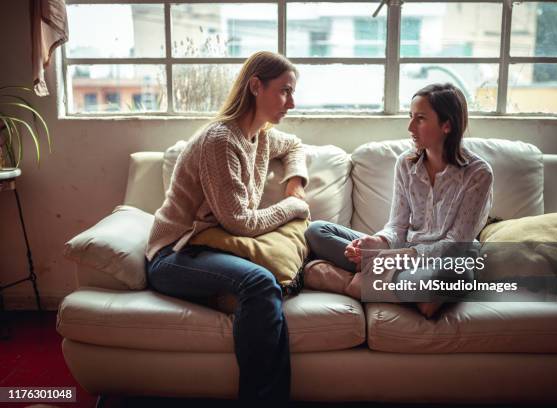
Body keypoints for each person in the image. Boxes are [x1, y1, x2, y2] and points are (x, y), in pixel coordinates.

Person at [145, 51, 309, 402]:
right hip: (176, 253)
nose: (291, 103)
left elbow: (294, 145)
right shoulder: (220, 140)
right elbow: (241, 222)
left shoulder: (260, 136)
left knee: (285, 270)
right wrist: (292, 206)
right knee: (260, 282)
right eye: (285, 91)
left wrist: (295, 182)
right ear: (255, 86)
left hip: (213, 247)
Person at [305, 83, 494, 304]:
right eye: (410, 116)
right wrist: (376, 242)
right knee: (317, 231)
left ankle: (348, 284)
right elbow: (398, 225)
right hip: (401, 253)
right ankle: (408, 293)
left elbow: (455, 243)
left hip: (446, 260)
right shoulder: (405, 164)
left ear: (447, 125)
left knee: (455, 275)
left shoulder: (478, 174)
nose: (410, 127)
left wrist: (394, 258)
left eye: (420, 119)